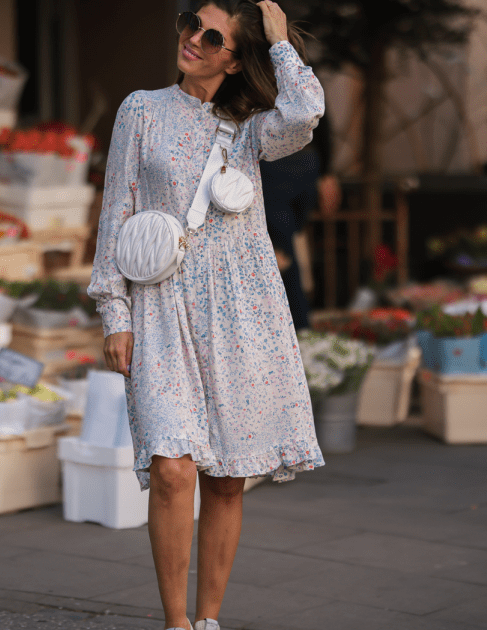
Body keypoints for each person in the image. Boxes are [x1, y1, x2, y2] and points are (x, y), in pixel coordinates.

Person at [87, 2, 325, 629]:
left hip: (242, 312)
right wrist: (115, 312)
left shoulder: (251, 128)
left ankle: (209, 621)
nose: (193, 38)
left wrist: (278, 41)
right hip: (161, 308)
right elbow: (115, 213)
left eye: (212, 36)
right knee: (172, 469)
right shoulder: (140, 110)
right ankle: (176, 624)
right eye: (191, 23)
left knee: (225, 478)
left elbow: (305, 112)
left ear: (234, 59)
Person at [259, 115, 335, 330]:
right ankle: (299, 327)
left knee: (283, 256)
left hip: (275, 164)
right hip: (306, 159)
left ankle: (298, 329)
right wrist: (327, 171)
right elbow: (320, 117)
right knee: (287, 250)